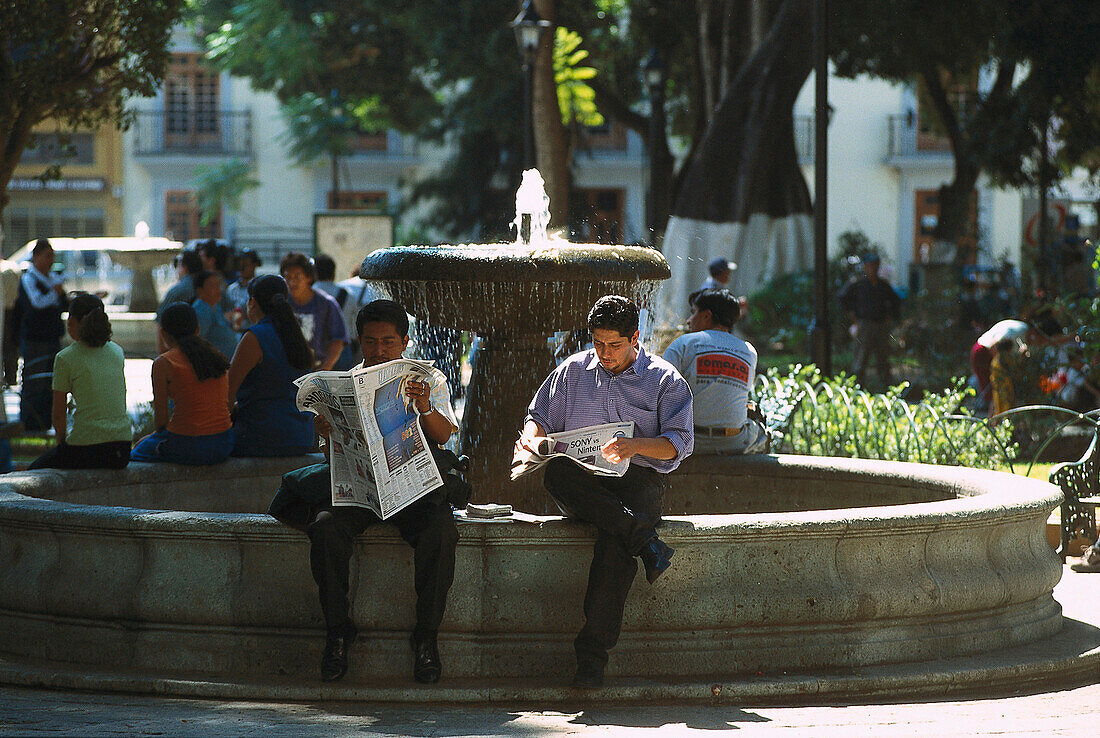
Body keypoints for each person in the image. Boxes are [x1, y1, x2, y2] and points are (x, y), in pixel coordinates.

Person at [268, 299, 465, 684]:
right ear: (360, 340)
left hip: (412, 491)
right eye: (371, 342)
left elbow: (444, 437)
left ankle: (427, 638)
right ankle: (338, 632)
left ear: (405, 342)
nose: (379, 351)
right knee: (325, 530)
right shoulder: (346, 382)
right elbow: (332, 456)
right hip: (360, 491)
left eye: (388, 342)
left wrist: (423, 407)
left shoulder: (428, 380)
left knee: (441, 534)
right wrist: (324, 434)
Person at [516, 295, 693, 687]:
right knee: (556, 474)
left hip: (638, 480)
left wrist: (635, 446)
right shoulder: (573, 371)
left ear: (635, 337)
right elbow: (537, 417)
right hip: (585, 482)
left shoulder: (665, 379)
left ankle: (591, 659)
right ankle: (644, 539)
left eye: (614, 345)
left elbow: (679, 444)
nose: (605, 353)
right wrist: (533, 441)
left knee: (614, 547)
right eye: (597, 343)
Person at [27, 293, 130, 470]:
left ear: (71, 321)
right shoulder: (117, 352)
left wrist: (62, 445)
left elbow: (58, 414)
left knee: (34, 471)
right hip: (122, 450)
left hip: (86, 450)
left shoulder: (65, 358)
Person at [663, 289, 766, 454]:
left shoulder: (683, 343)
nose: (689, 321)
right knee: (762, 431)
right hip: (734, 442)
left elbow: (659, 393)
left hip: (687, 442)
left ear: (706, 316)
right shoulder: (749, 352)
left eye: (693, 313)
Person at [131, 303, 234, 465]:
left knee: (136, 454)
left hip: (187, 445)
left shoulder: (163, 363)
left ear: (163, 333)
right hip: (223, 443)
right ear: (198, 330)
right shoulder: (216, 359)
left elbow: (161, 423)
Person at [227, 274, 316, 457]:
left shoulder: (254, 336)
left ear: (252, 302)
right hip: (302, 436)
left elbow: (226, 392)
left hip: (262, 437)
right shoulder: (296, 335)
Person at [18, 238, 68, 430]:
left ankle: (45, 422)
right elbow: (37, 304)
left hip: (52, 338)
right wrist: (54, 293)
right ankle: (29, 424)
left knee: (50, 382)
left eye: (52, 257)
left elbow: (61, 304)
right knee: (33, 382)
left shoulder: (53, 278)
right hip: (35, 340)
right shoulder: (29, 279)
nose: (50, 261)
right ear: (36, 257)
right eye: (47, 256)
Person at [837, 254, 901, 387]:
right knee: (861, 355)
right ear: (865, 267)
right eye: (870, 266)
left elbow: (895, 301)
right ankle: (857, 384)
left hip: (881, 324)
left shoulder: (883, 285)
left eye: (875, 265)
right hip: (865, 324)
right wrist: (853, 317)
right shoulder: (858, 284)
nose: (873, 269)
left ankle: (886, 384)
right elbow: (843, 298)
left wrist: (891, 317)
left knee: (883, 356)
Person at [279, 252, 348, 371]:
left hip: (316, 368)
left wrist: (325, 368)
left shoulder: (326, 304)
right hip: (286, 369)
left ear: (309, 277)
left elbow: (338, 340)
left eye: (297, 277)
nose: (292, 282)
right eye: (288, 277)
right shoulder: (281, 304)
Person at [971, 319, 1030, 410]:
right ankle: (993, 420)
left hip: (990, 355)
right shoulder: (1018, 331)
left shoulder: (1022, 332)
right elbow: (994, 345)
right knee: (993, 394)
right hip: (983, 352)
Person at [191, 270, 238, 359]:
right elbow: (197, 342)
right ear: (200, 291)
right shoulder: (201, 310)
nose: (218, 290)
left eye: (218, 285)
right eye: (212, 286)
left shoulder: (215, 306)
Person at [158, 248, 203, 319]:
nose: (176, 270)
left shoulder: (177, 291)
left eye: (178, 265)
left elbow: (161, 318)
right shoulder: (209, 286)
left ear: (184, 267)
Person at [226, 248, 262, 333]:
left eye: (245, 264)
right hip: (235, 332)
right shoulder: (232, 289)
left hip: (253, 332)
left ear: (254, 265)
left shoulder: (259, 287)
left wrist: (245, 314)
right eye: (239, 265)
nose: (241, 268)